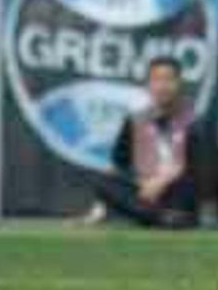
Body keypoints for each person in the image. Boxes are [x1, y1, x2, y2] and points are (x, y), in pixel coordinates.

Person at [78, 57, 204, 229]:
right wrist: (100, 207)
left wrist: (162, 181)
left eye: (168, 79)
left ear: (179, 84)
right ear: (148, 85)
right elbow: (120, 164)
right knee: (102, 181)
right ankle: (163, 219)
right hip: (147, 194)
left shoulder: (192, 120)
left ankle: (169, 217)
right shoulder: (135, 121)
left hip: (177, 193)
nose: (163, 86)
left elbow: (196, 166)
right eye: (157, 80)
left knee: (188, 183)